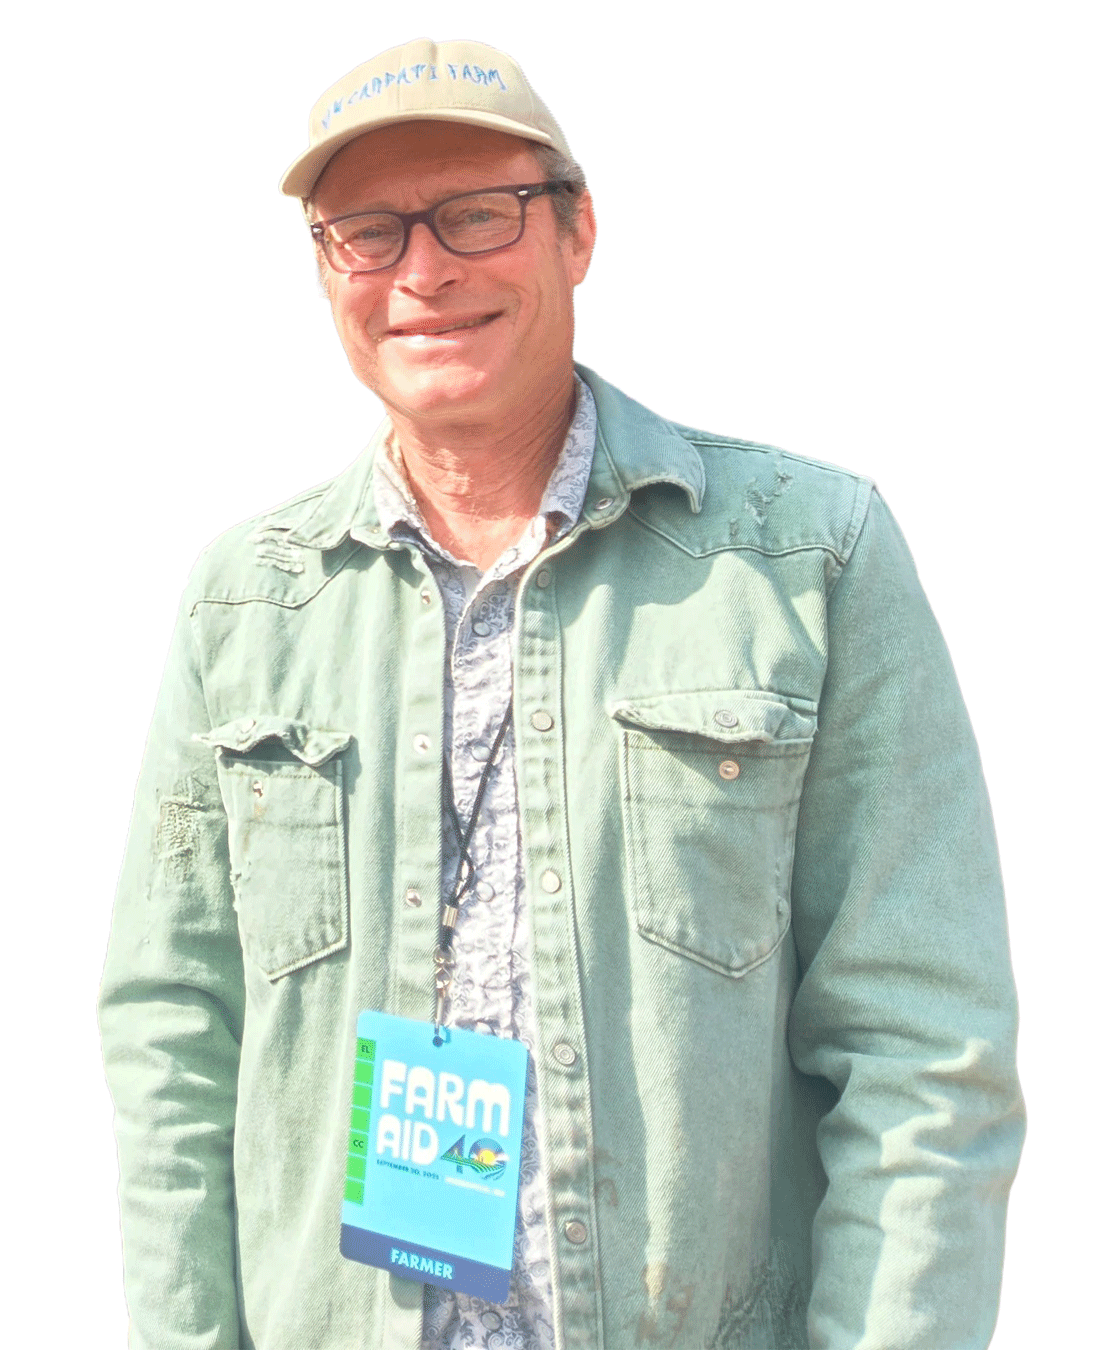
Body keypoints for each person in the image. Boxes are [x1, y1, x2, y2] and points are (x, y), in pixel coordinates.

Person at [97, 35, 1025, 1350]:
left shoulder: (808, 552)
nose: (424, 270)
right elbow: (172, 1042)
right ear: (322, 272)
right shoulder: (245, 599)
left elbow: (927, 1050)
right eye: (368, 232)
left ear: (579, 229)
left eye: (477, 213)